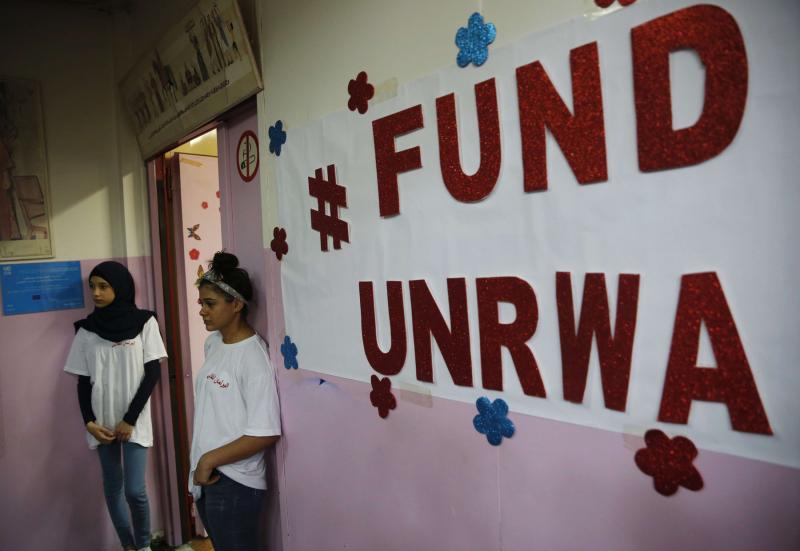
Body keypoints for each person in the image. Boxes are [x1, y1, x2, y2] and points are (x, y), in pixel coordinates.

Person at [64, 261, 167, 551]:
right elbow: (83, 383)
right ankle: (129, 546)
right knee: (113, 488)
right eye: (92, 286)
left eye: (103, 286)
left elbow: (153, 373)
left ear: (119, 287)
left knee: (135, 491)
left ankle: (144, 545)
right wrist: (89, 423)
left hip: (133, 421)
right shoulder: (86, 330)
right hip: (102, 424)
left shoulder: (145, 322)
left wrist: (130, 419)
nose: (95, 293)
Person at [190, 251, 281, 551]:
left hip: (235, 483)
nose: (202, 311)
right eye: (201, 302)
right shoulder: (213, 342)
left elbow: (265, 432)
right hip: (209, 477)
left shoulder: (254, 358)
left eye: (210, 303)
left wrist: (208, 460)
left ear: (237, 304)